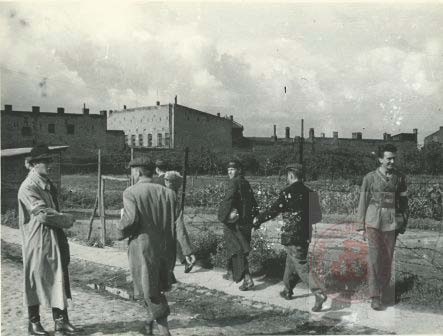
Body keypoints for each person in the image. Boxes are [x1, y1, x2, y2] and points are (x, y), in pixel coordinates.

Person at [17, 144, 78, 335]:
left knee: (59, 277)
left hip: (53, 236)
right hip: (38, 239)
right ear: (34, 164)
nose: (50, 165)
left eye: (50, 161)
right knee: (35, 279)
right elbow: (43, 214)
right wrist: (67, 219)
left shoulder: (46, 183)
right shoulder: (29, 186)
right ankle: (34, 323)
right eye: (46, 161)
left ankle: (61, 320)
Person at [117, 158, 181, 336]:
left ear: (137, 172)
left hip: (143, 250)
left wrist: (118, 229)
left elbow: (130, 221)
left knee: (150, 290)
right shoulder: (168, 193)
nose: (132, 175)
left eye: (132, 171)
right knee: (153, 286)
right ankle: (148, 324)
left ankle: (164, 331)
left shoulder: (131, 192)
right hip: (165, 248)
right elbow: (176, 222)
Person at [253, 163, 326, 312]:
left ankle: (318, 293)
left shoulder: (287, 193)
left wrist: (258, 219)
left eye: (287, 175)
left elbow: (273, 210)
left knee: (300, 265)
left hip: (291, 234)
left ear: (291, 175)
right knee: (290, 262)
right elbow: (318, 216)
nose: (287, 178)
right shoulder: (311, 193)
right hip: (305, 234)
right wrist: (304, 219)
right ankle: (287, 290)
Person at [357, 144, 409, 311]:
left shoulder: (400, 178)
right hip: (373, 222)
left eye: (394, 158)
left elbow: (404, 202)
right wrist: (360, 226)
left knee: (387, 259)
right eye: (388, 158)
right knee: (374, 259)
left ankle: (385, 292)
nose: (392, 161)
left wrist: (403, 221)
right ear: (380, 159)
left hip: (391, 223)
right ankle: (374, 296)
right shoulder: (369, 178)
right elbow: (362, 202)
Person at [217, 159, 258, 291]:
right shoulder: (245, 182)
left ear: (239, 170)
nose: (230, 172)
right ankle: (230, 272)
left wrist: (222, 217)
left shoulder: (234, 182)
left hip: (235, 223)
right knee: (238, 249)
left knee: (237, 250)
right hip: (246, 222)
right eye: (228, 169)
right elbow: (253, 202)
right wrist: (254, 218)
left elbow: (227, 201)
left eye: (232, 169)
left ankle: (247, 279)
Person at [164, 170, 196, 273]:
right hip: (171, 223)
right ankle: (186, 258)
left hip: (167, 223)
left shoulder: (169, 194)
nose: (165, 181)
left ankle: (186, 258)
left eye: (167, 179)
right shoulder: (173, 194)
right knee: (177, 241)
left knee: (176, 240)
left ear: (170, 182)